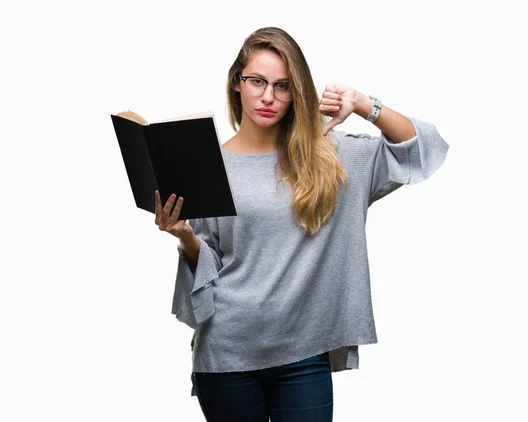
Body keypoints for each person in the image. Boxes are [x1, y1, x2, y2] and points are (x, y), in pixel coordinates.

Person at [154, 27, 449, 422]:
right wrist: (186, 237)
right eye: (257, 81)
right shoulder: (208, 166)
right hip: (228, 351)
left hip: (304, 352)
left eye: (283, 85)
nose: (268, 96)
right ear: (237, 84)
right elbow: (209, 267)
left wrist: (362, 103)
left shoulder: (331, 157)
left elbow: (421, 149)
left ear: (297, 94)